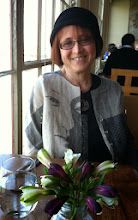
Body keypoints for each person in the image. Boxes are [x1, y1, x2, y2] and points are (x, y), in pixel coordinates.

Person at [24, 7, 138, 167]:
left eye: (85, 39)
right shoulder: (44, 87)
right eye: (68, 43)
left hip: (109, 184)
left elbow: (125, 145)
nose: (77, 49)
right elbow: (31, 152)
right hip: (60, 185)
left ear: (96, 43)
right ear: (58, 49)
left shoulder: (113, 90)